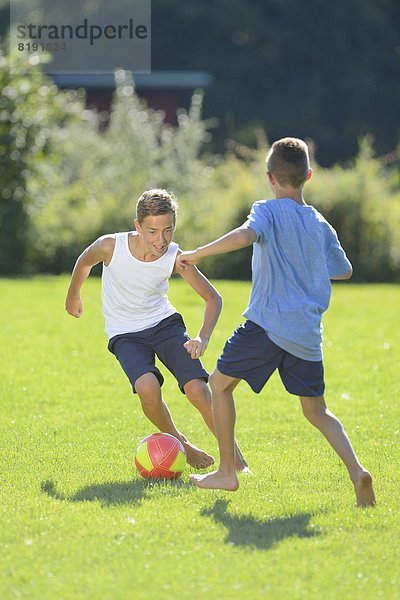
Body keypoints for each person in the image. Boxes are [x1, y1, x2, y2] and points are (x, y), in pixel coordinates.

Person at [177, 137, 375, 507]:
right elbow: (344, 270)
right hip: (306, 334)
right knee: (317, 411)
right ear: (308, 176)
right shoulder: (320, 224)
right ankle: (356, 471)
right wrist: (307, 265)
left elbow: (245, 236)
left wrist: (197, 253)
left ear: (270, 177)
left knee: (218, 386)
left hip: (267, 325)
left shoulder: (266, 211)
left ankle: (226, 472)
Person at [65, 188, 247, 470]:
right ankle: (181, 445)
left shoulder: (175, 256)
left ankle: (236, 461)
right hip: (125, 334)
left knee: (199, 390)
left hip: (164, 326)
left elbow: (213, 298)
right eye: (152, 232)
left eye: (167, 231)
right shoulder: (110, 246)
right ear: (137, 226)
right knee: (147, 388)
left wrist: (203, 336)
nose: (160, 240)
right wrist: (73, 295)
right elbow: (85, 261)